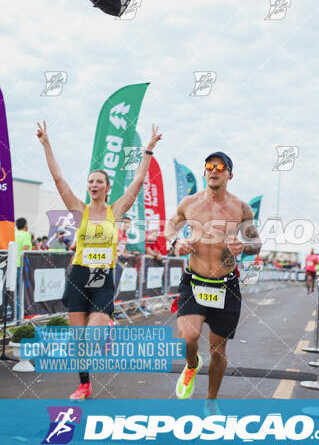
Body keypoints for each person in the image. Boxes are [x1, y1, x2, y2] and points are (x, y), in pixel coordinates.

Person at [37, 119, 161, 399]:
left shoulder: (115, 212)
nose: (94, 184)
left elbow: (139, 182)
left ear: (107, 187)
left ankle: (107, 324)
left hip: (103, 277)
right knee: (78, 341)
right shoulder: (78, 209)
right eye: (90, 181)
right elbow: (58, 180)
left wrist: (148, 151)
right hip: (79, 275)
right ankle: (84, 385)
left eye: (99, 181)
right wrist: (46, 143)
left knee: (91, 337)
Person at [165, 152, 261, 402]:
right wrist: (176, 241)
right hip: (194, 282)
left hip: (225, 286)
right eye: (209, 166)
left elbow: (255, 242)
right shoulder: (189, 203)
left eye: (220, 167)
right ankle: (192, 365)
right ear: (204, 172)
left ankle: (211, 401)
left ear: (230, 174)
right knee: (189, 337)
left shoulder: (241, 207)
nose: (214, 170)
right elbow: (170, 225)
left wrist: (245, 247)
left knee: (218, 351)